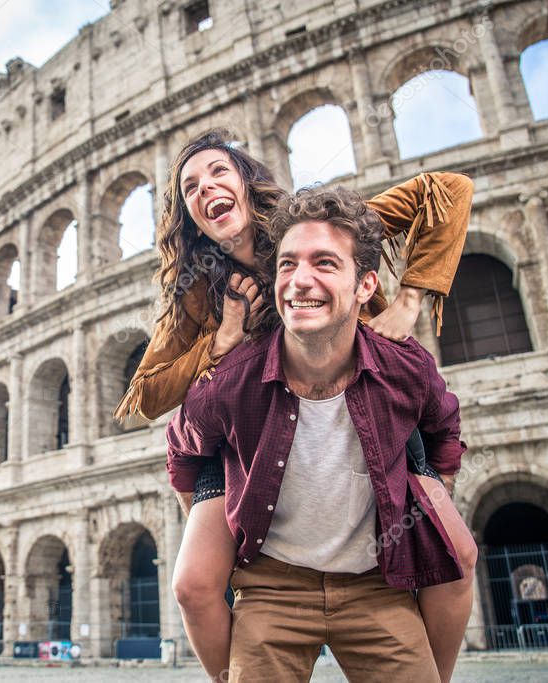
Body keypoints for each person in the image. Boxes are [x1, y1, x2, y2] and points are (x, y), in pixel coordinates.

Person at [116, 129, 477, 683]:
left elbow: (448, 191)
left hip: (370, 406)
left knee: (457, 553)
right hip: (246, 428)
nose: (205, 188)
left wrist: (408, 303)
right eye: (190, 187)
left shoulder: (309, 228)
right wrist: (221, 341)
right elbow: (144, 398)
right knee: (192, 582)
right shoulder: (197, 290)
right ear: (188, 214)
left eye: (217, 172)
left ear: (244, 180)